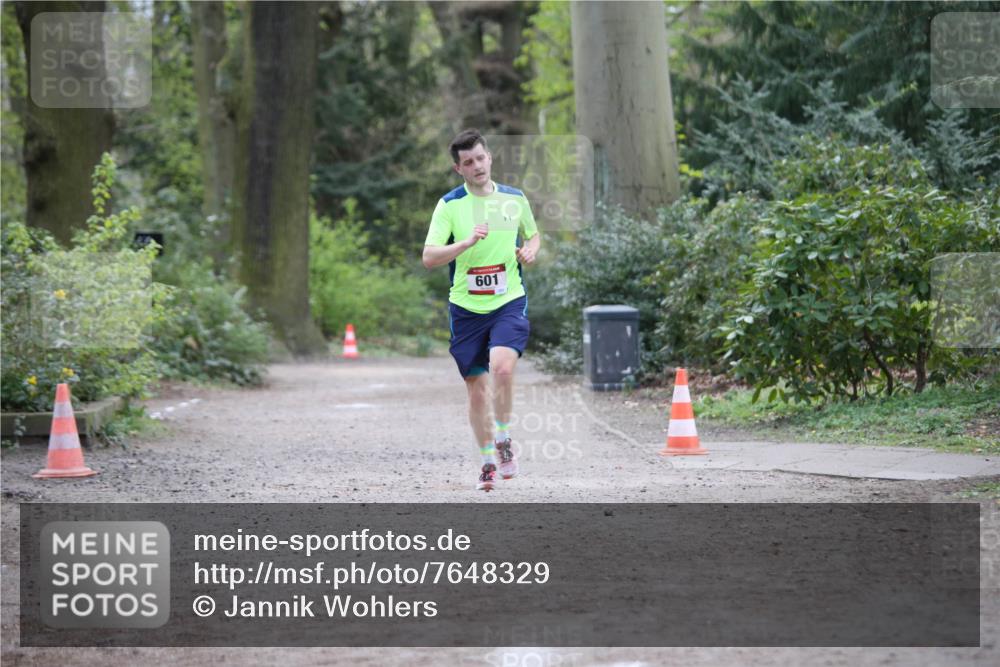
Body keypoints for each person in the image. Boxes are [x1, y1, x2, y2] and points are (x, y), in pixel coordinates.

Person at [422, 129, 541, 492]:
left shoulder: (514, 199)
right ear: (458, 169)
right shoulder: (449, 205)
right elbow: (429, 257)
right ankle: (488, 460)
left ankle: (503, 438)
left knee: (502, 368)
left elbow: (533, 235)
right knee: (476, 391)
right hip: (466, 308)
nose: (476, 166)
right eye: (468, 162)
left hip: (508, 299)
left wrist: (531, 250)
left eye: (480, 158)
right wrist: (466, 242)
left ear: (489, 157)